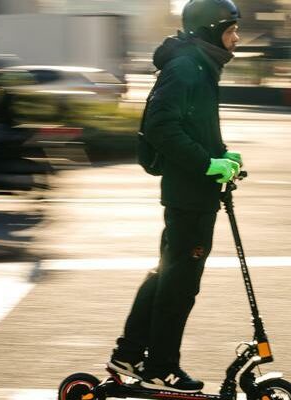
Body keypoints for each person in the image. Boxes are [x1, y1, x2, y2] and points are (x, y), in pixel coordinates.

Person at [106, 0, 243, 394]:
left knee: (168, 274)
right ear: (211, 29)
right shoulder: (187, 68)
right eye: (231, 30)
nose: (237, 38)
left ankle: (128, 354)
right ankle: (160, 367)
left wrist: (221, 154)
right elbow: (162, 127)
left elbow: (190, 125)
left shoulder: (198, 65)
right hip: (188, 193)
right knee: (180, 283)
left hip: (192, 191)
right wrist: (207, 164)